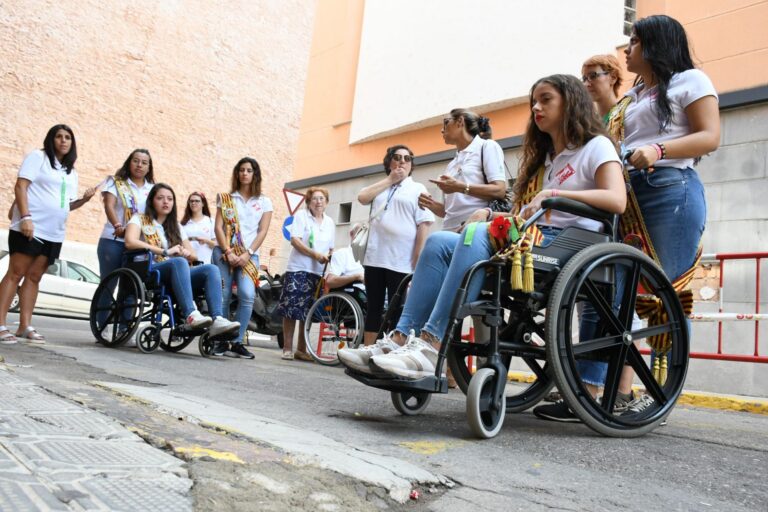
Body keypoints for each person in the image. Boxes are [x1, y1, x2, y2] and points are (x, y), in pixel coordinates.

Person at [338, 74, 626, 382]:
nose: (536, 108)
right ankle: (399, 338)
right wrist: (489, 212)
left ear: (570, 103)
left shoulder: (596, 146)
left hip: (569, 244)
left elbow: (616, 200)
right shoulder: (550, 160)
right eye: (533, 102)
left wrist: (556, 194)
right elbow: (523, 210)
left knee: (475, 236)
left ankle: (432, 344)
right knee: (439, 242)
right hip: (535, 238)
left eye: (545, 100)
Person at [536, 15, 721, 422]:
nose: (627, 50)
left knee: (664, 296)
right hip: (630, 194)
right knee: (610, 292)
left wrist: (658, 151)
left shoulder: (690, 81)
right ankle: (591, 389)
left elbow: (710, 135)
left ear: (655, 44)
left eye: (634, 41)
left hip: (670, 191)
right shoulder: (635, 95)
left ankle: (660, 393)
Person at [0, 124, 96, 344]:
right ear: (51, 139)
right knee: (16, 273)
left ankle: (24, 326)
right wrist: (25, 218)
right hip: (31, 227)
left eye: (68, 137)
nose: (63, 141)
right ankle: (0, 324)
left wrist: (84, 200)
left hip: (55, 233)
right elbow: (21, 186)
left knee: (34, 277)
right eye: (59, 136)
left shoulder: (71, 172)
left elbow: (66, 205)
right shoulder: (38, 158)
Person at [124, 183, 239, 340]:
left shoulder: (176, 226)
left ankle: (217, 319)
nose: (166, 202)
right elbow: (130, 242)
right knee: (178, 262)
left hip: (175, 272)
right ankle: (190, 314)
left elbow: (192, 255)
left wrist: (186, 252)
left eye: (170, 199)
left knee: (211, 269)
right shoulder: (139, 219)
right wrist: (164, 251)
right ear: (151, 201)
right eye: (160, 198)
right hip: (148, 269)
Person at [356, 145, 434, 346]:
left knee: (397, 310)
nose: (402, 161)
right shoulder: (382, 186)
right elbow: (362, 197)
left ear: (411, 164)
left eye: (407, 158)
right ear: (389, 161)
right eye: (397, 157)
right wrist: (390, 179)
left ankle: (389, 353)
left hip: (401, 261)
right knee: (373, 307)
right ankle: (368, 350)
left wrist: (417, 261)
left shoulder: (418, 189)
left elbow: (424, 225)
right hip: (375, 258)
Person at [212, 157, 273, 359]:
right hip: (225, 253)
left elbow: (263, 231)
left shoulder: (264, 201)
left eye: (249, 170)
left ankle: (236, 342)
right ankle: (220, 341)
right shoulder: (226, 198)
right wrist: (228, 251)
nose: (245, 174)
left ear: (255, 174)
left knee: (247, 295)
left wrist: (248, 253)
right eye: (241, 170)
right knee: (224, 295)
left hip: (250, 256)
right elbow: (218, 227)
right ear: (237, 174)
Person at [94, 149, 155, 332]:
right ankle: (102, 324)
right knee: (109, 284)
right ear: (129, 162)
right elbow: (109, 205)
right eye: (136, 161)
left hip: (137, 244)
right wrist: (117, 225)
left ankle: (124, 328)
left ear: (149, 167)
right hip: (113, 240)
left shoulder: (152, 189)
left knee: (130, 286)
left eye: (144, 162)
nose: (139, 165)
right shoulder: (117, 183)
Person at [417, 108, 507, 232]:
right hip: (450, 230)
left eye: (446, 122)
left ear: (460, 121)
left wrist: (459, 187)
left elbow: (499, 190)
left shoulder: (487, 146)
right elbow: (448, 212)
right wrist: (430, 204)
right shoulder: (452, 164)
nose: (442, 129)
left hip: (475, 229)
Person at [276, 187, 335, 361]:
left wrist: (328, 259)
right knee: (291, 309)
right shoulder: (302, 216)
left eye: (322, 198)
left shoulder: (330, 222)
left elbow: (331, 247)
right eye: (315, 198)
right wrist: (315, 254)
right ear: (308, 202)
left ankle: (301, 349)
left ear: (327, 202)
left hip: (317, 272)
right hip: (298, 268)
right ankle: (287, 348)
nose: (318, 201)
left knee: (307, 310)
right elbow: (295, 240)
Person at [324, 224, 365, 291]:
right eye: (360, 234)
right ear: (351, 234)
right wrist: (356, 276)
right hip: (355, 295)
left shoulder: (369, 256)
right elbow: (330, 282)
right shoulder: (342, 254)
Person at [181, 192, 216, 264]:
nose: (193, 203)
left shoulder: (211, 222)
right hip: (187, 263)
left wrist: (206, 241)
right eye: (191, 201)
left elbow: (217, 245)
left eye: (197, 201)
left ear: (203, 204)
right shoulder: (183, 223)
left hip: (206, 262)